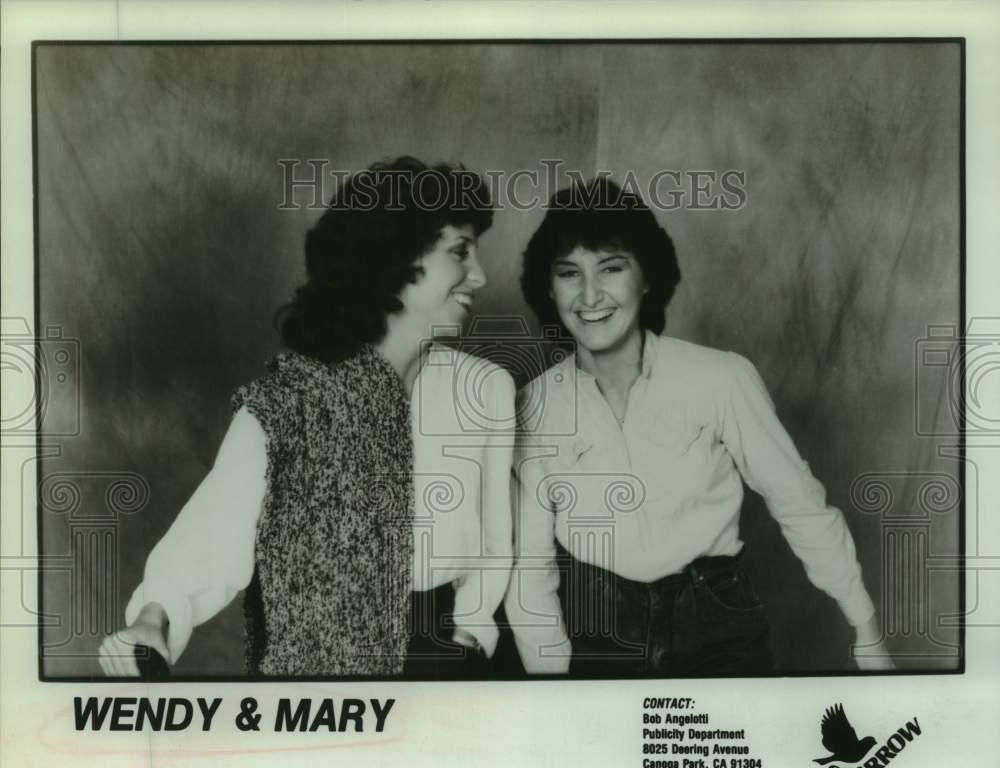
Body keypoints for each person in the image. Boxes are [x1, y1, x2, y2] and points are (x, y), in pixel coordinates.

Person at [98, 157, 514, 678]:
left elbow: (497, 544)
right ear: (394, 261)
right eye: (460, 252)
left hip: (448, 671)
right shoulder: (286, 403)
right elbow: (209, 534)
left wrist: (469, 635)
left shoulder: (487, 390)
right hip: (318, 683)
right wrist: (152, 622)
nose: (480, 275)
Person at [504, 177, 893, 676]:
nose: (590, 295)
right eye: (568, 273)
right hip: (597, 632)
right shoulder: (531, 409)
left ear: (646, 278)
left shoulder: (720, 378)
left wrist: (866, 629)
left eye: (611, 268)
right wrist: (553, 686)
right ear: (548, 288)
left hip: (718, 625)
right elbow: (530, 572)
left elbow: (797, 500)